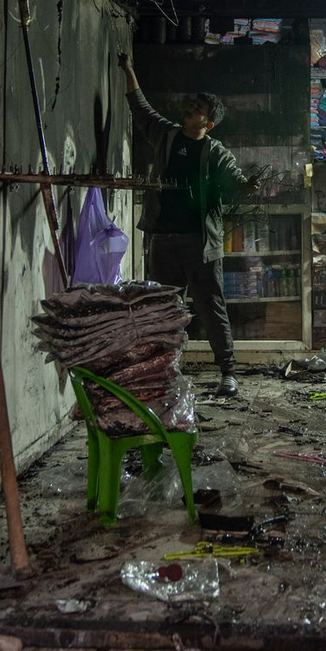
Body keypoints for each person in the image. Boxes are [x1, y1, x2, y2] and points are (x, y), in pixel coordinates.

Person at [119, 51, 257, 398]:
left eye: (197, 110)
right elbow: (140, 108)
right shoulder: (167, 136)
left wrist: (248, 186)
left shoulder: (216, 152)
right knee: (163, 309)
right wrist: (129, 69)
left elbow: (235, 181)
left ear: (208, 123)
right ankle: (164, 370)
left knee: (211, 307)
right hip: (164, 240)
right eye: (191, 106)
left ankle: (227, 372)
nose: (189, 110)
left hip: (201, 244)